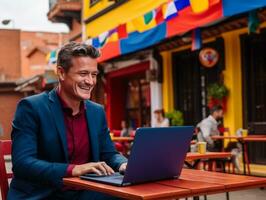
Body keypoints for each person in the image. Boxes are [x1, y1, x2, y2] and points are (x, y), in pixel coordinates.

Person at [8, 42, 127, 200]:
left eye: (94, 74)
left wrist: (123, 164)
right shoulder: (31, 107)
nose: (90, 81)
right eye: (83, 73)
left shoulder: (96, 111)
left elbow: (109, 153)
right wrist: (74, 169)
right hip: (42, 194)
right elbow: (23, 164)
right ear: (61, 73)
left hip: (83, 192)